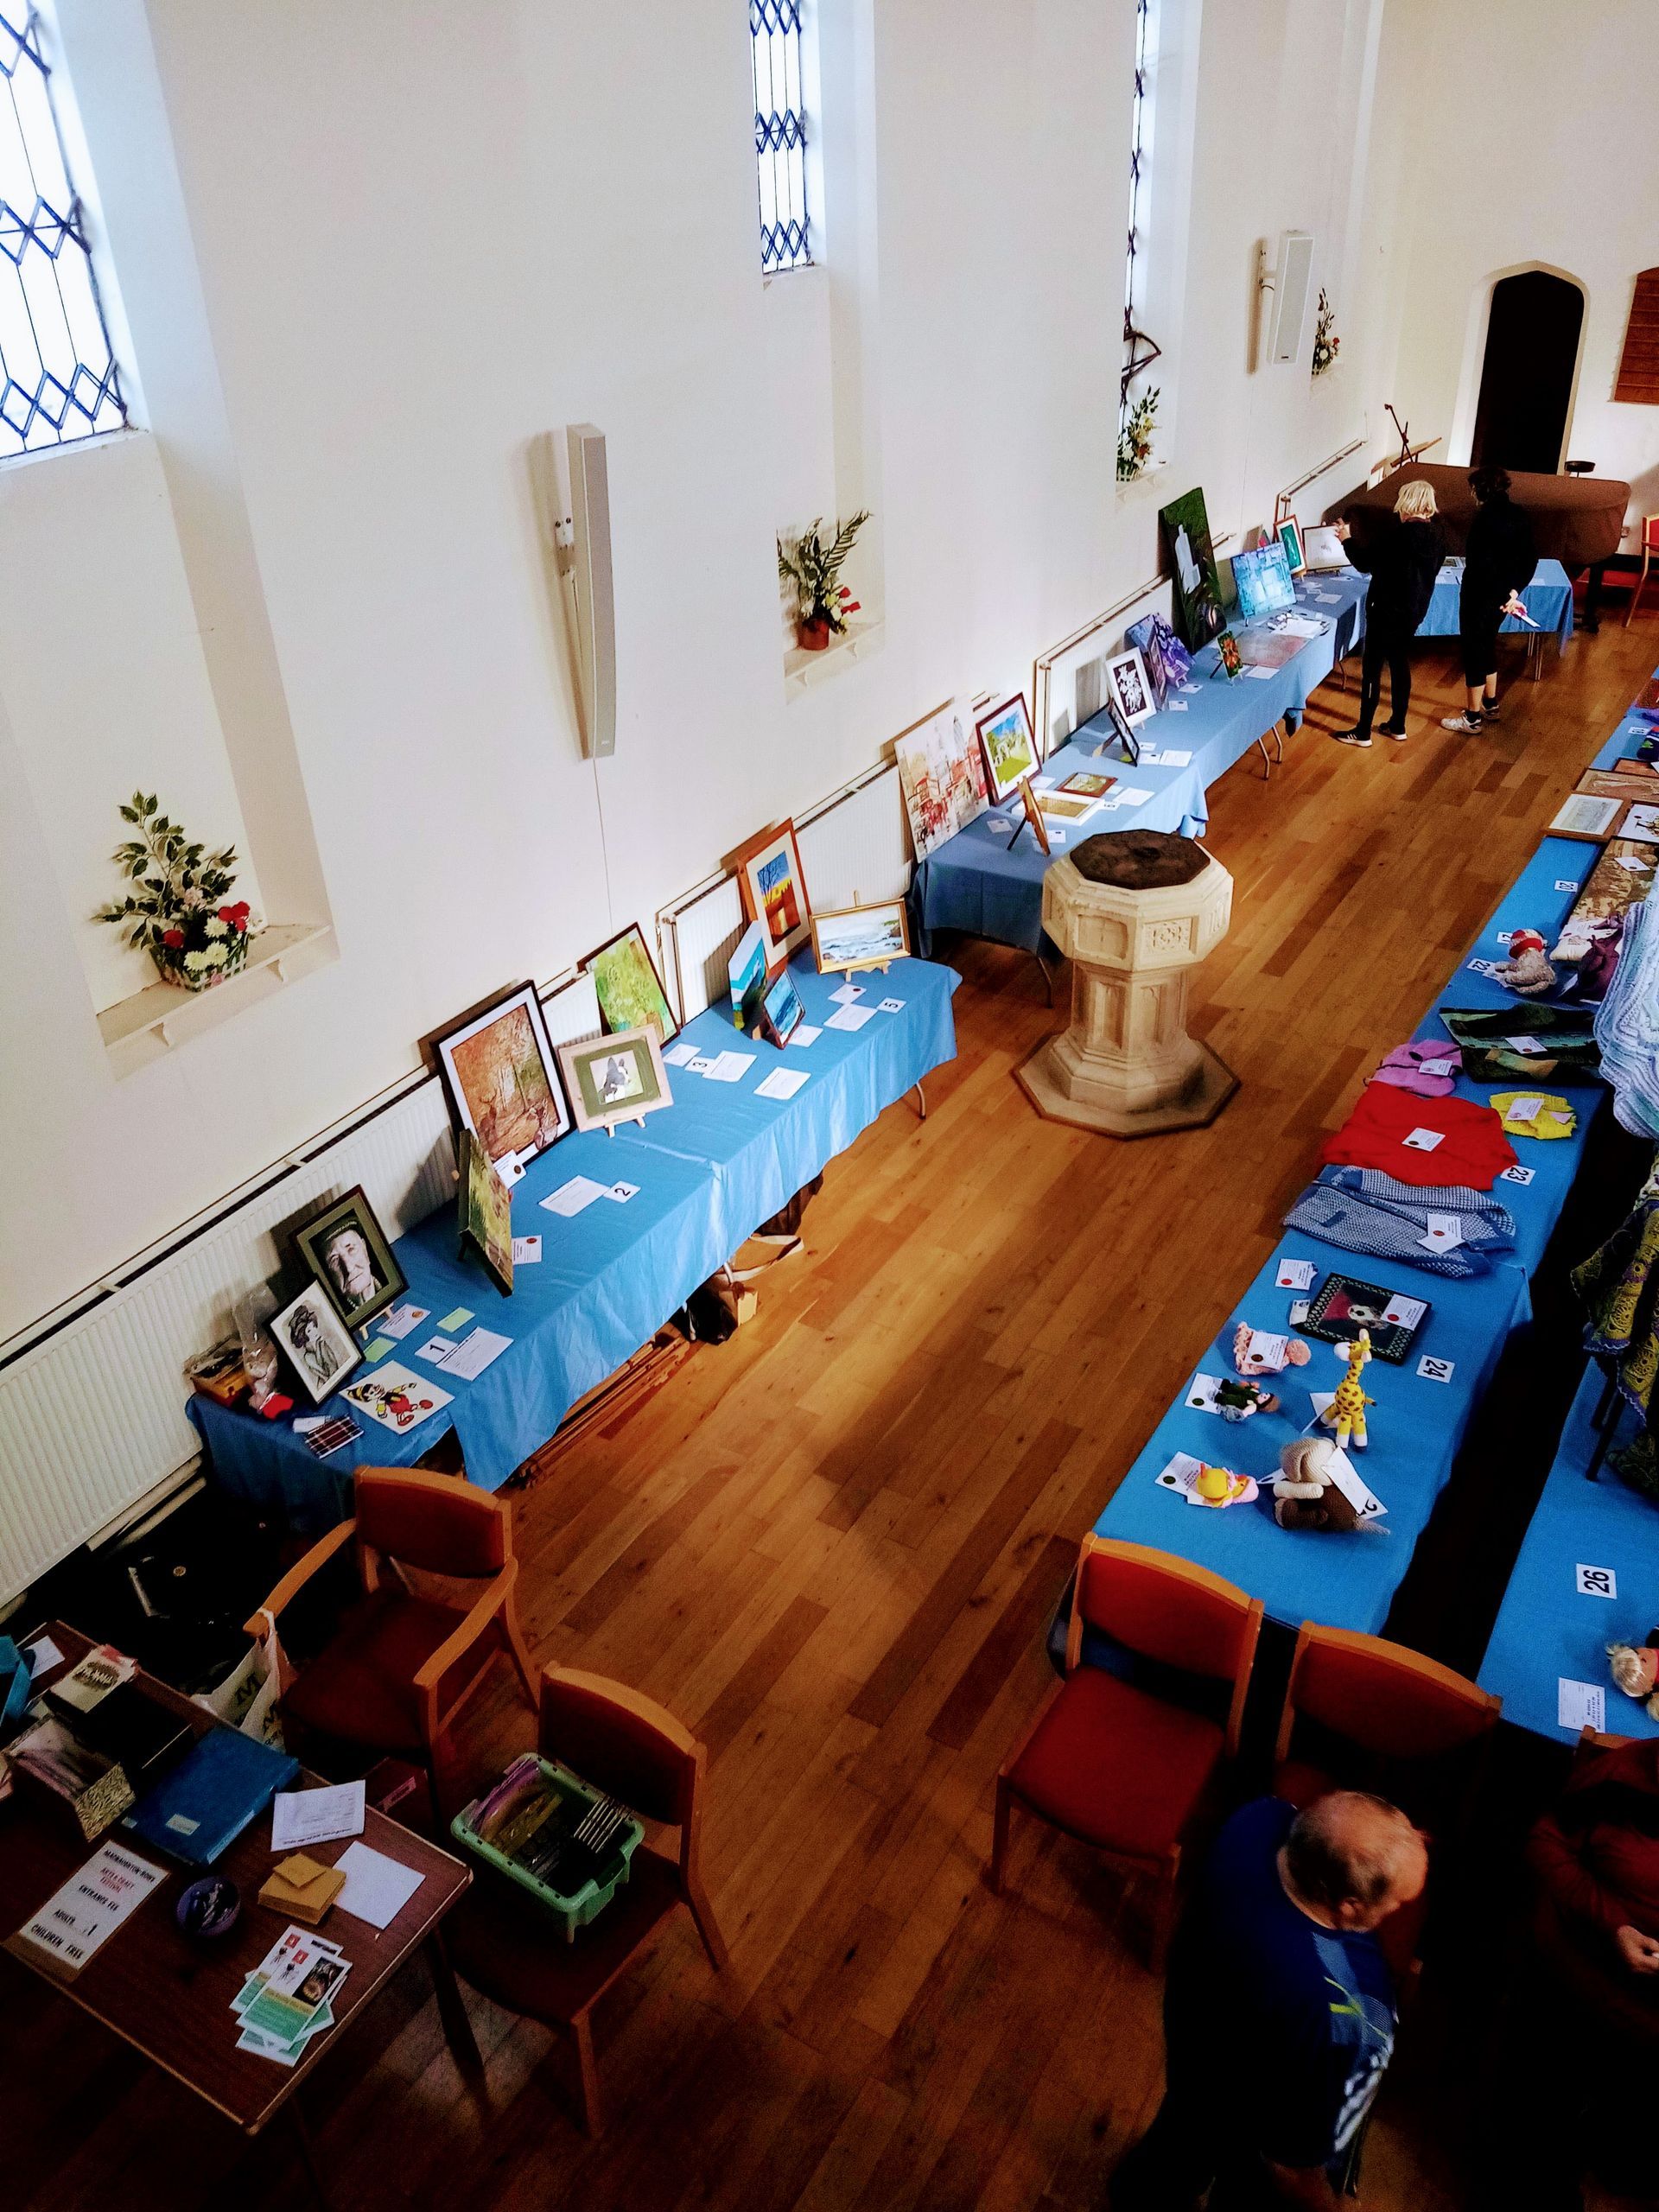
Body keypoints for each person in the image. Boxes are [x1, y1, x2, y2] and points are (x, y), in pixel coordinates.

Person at [1110, 1791, 1428, 2210]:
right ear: (1348, 1906)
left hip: (1196, 2029)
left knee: (1181, 2135)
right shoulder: (1349, 2003)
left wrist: (1397, 1840)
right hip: (1259, 2110)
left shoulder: (1257, 1818)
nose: (1397, 1908)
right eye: (1397, 1903)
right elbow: (1299, 2159)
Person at [1332, 481, 1445, 748]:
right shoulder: (1438, 536)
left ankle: (1362, 732)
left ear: (1407, 503)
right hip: (1414, 611)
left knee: (1372, 669)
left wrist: (1346, 538)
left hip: (1385, 611)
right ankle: (1397, 725)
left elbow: (1364, 562)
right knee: (1399, 663)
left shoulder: (1399, 536)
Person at [1442, 466, 1537, 734]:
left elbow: (1481, 564)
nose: (1470, 493)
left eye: (1472, 488)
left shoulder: (1484, 518)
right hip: (1503, 597)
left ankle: (1472, 718)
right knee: (1487, 645)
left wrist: (1493, 591)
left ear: (1479, 490)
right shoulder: (1520, 514)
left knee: (1474, 650)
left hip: (1479, 595)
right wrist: (1513, 593)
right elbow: (1529, 558)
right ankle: (1491, 704)